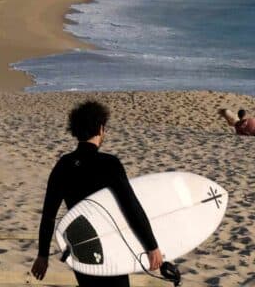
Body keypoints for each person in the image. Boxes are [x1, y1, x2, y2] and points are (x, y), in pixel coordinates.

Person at [31, 101, 163, 287]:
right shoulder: (110, 164)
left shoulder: (64, 165)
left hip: (81, 248)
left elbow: (48, 216)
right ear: (101, 129)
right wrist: (152, 246)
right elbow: (131, 207)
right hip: (110, 245)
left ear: (75, 130)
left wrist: (42, 255)